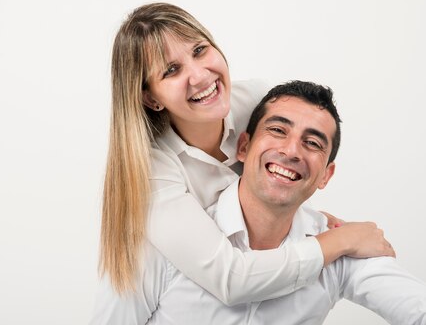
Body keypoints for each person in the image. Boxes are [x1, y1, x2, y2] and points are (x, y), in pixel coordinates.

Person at [97, 2, 395, 305]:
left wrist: (312, 221)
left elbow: (282, 182)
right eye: (171, 70)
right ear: (151, 98)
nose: (200, 77)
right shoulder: (152, 171)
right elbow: (229, 279)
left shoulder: (256, 100)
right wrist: (340, 241)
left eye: (199, 50)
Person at [91, 81, 426, 324]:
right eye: (278, 130)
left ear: (326, 175)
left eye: (312, 142)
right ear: (243, 147)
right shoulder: (165, 242)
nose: (292, 151)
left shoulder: (341, 247)